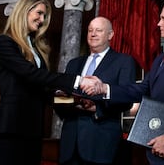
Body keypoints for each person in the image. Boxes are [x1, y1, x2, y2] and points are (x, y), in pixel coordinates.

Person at [84, 1, 164, 165]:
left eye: (163, 18)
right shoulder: (162, 58)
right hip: (159, 149)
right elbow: (142, 88)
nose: (158, 23)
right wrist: (105, 88)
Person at [0, 0, 93, 165]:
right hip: (10, 128)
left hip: (33, 130)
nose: (42, 19)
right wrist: (78, 81)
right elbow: (31, 74)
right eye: (39, 13)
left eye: (44, 16)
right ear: (24, 11)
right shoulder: (3, 42)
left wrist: (76, 102)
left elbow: (44, 93)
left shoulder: (37, 49)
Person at [57, 16, 136, 165]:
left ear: (110, 35)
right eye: (90, 30)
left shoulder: (124, 61)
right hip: (70, 144)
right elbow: (61, 99)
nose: (93, 34)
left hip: (101, 142)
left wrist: (96, 108)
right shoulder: (73, 63)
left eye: (98, 30)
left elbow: (126, 98)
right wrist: (68, 102)